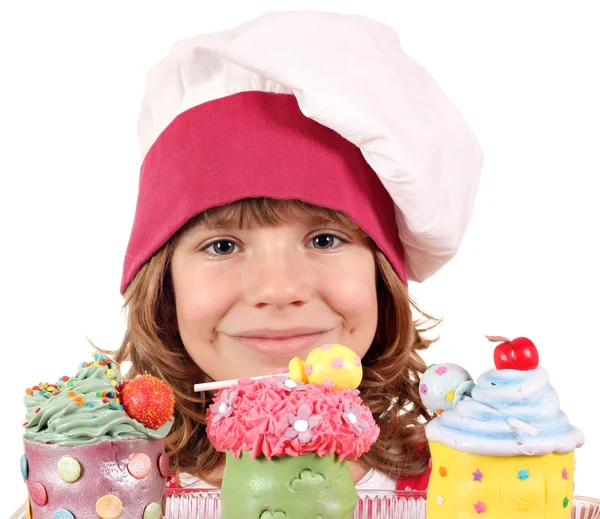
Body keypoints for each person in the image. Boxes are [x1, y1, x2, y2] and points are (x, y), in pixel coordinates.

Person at [112, 10, 483, 491]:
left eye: (325, 239)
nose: (279, 289)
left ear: (382, 273)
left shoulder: (463, 487)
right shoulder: (111, 494)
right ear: (163, 284)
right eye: (222, 245)